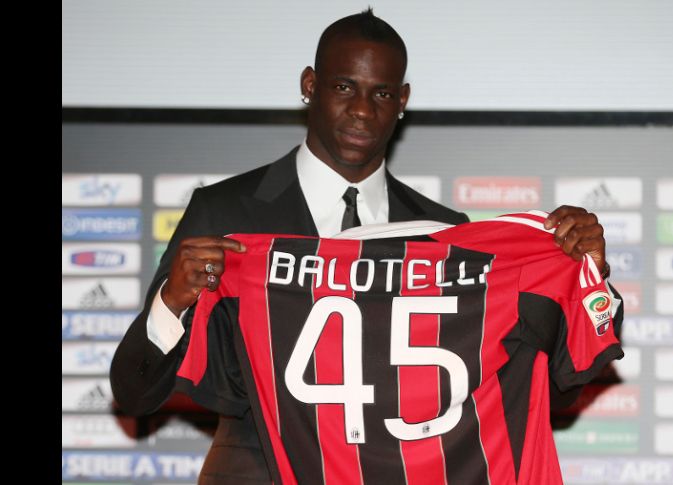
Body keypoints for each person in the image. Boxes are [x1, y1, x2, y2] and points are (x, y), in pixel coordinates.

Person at [110, 9, 617, 484]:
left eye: (381, 94)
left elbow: (550, 383)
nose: (361, 110)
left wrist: (588, 278)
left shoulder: (446, 233)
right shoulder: (227, 213)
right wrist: (171, 303)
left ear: (403, 100)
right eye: (343, 86)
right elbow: (135, 392)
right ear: (310, 86)